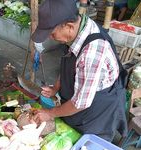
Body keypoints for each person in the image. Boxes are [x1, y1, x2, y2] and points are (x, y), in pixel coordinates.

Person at [32, 0, 128, 142]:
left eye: (52, 34)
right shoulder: (78, 29)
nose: (50, 38)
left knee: (86, 145)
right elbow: (68, 65)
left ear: (69, 26)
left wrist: (50, 113)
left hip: (97, 111)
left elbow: (81, 103)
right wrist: (56, 88)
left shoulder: (92, 52)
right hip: (78, 103)